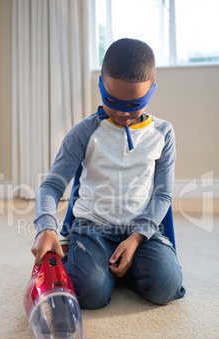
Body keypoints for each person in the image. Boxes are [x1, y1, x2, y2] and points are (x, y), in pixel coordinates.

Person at [31, 38, 186, 309]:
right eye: (113, 101)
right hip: (92, 227)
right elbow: (52, 186)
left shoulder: (163, 134)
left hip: (141, 231)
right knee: (90, 295)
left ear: (152, 90)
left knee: (167, 288)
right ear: (101, 84)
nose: (123, 112)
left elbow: (163, 194)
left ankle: (118, 267)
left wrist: (137, 238)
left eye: (135, 103)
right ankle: (93, 264)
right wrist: (46, 227)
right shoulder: (85, 131)